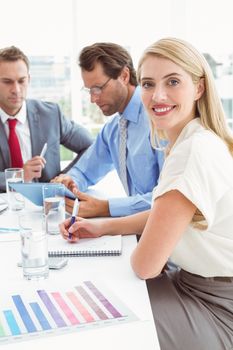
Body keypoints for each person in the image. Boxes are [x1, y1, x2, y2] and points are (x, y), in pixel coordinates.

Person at [60, 37, 233, 350]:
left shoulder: (192, 151)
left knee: (95, 321)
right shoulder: (191, 139)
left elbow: (145, 265)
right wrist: (102, 226)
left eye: (173, 81)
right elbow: (169, 214)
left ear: (199, 88)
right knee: (91, 293)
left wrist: (109, 218)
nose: (157, 95)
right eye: (150, 84)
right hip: (191, 283)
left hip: (217, 306)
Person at [54, 42, 164, 217]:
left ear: (124, 76)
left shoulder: (158, 119)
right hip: (135, 227)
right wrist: (70, 180)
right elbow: (84, 170)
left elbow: (167, 198)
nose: (93, 99)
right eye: (89, 90)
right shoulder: (113, 130)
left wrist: (106, 207)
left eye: (98, 88)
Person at [0, 46, 93, 192]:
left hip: (46, 206)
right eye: (7, 82)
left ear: (28, 79)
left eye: (21, 81)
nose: (16, 90)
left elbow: (91, 146)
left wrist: (65, 177)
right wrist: (18, 176)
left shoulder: (50, 115)